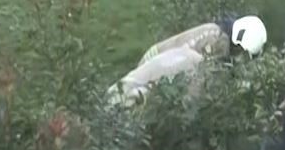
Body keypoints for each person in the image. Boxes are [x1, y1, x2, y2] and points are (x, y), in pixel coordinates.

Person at [110, 14, 268, 105]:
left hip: (167, 62)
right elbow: (204, 76)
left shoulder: (219, 35)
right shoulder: (217, 42)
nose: (241, 54)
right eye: (242, 50)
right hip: (159, 62)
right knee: (135, 98)